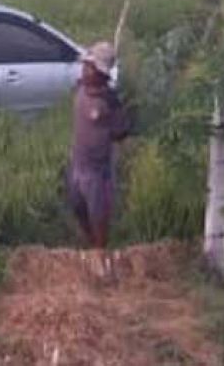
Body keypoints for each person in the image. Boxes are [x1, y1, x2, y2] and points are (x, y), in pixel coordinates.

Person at [66, 41, 131, 279]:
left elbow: (121, 132)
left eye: (90, 67)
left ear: (102, 74)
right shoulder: (81, 89)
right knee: (77, 206)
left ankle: (101, 258)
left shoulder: (109, 102)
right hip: (77, 162)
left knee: (98, 212)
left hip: (97, 168)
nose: (85, 70)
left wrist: (111, 110)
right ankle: (92, 246)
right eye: (85, 66)